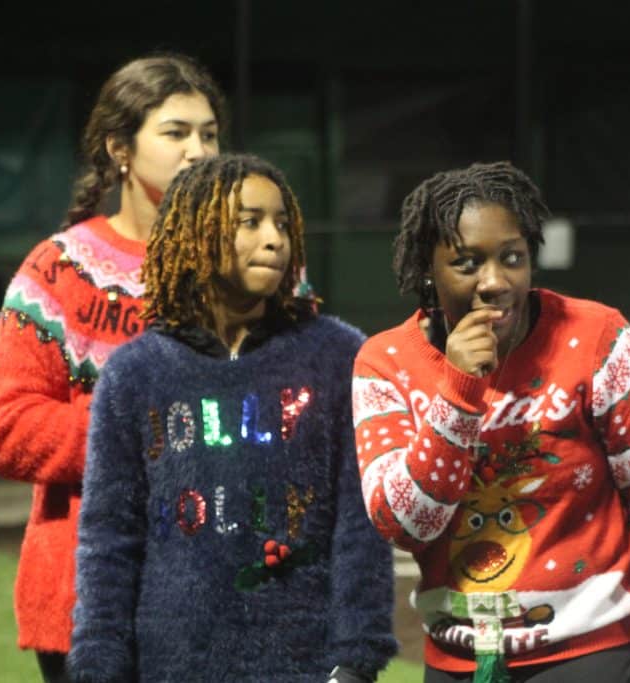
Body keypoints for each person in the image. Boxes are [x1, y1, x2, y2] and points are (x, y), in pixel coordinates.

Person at [354, 161, 630, 682]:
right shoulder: (384, 364)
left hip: (591, 654)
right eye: (467, 262)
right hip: (456, 660)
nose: (495, 282)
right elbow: (406, 527)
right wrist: (458, 392)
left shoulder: (601, 338)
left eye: (512, 258)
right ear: (428, 268)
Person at [68, 154, 397, 682]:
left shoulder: (338, 356)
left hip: (306, 664)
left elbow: (360, 525)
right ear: (197, 233)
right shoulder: (134, 373)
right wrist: (100, 664)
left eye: (282, 223)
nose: (275, 239)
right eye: (251, 222)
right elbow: (109, 537)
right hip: (170, 663)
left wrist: (357, 658)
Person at [0, 52, 226, 682]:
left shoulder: (255, 263)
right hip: (93, 602)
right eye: (175, 133)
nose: (198, 150)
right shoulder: (58, 271)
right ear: (120, 148)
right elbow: (7, 426)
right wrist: (147, 432)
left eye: (209, 134)